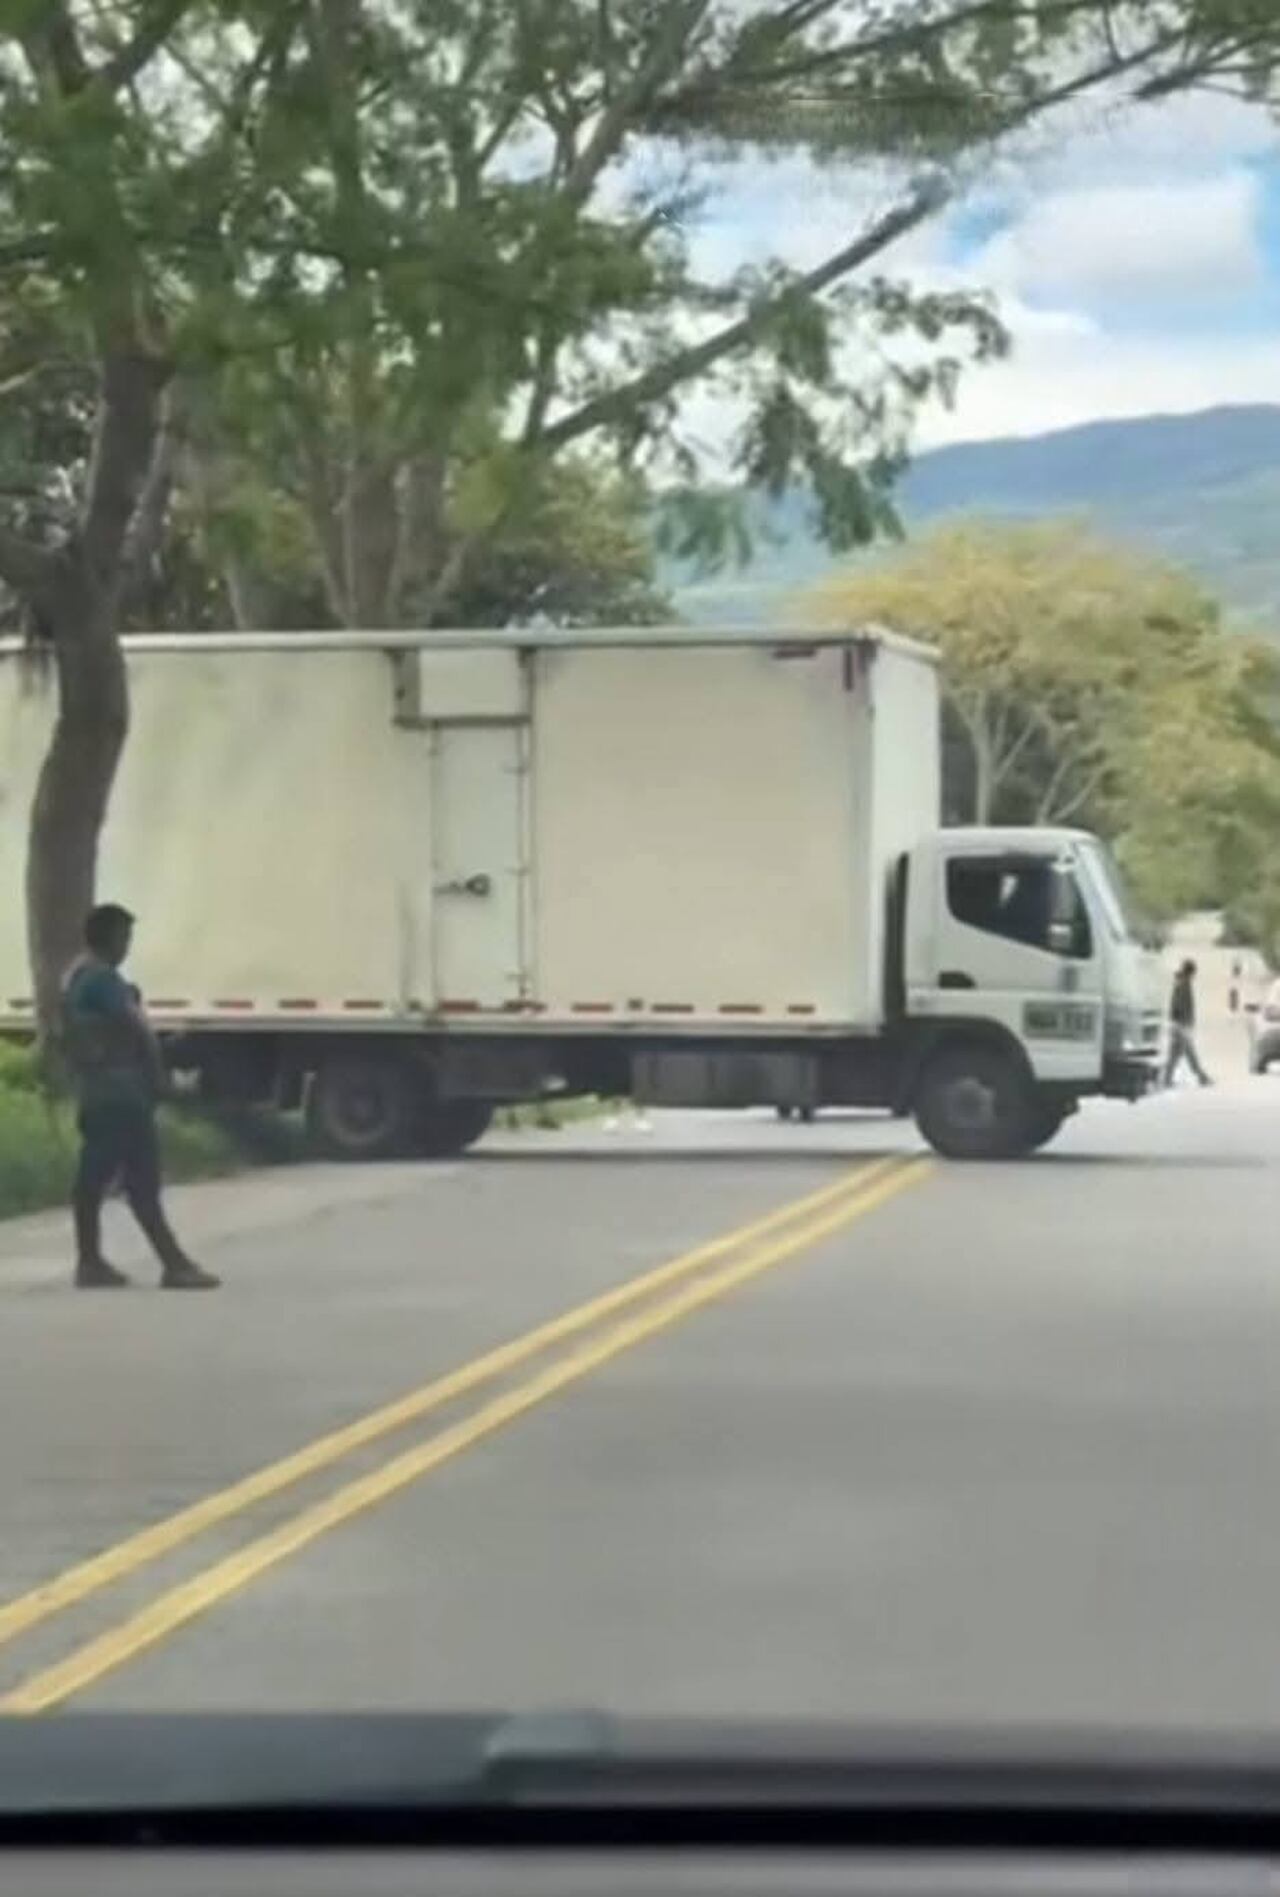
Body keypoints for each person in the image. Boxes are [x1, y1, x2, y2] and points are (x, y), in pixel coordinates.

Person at [61, 904, 220, 1290]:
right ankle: (175, 1265)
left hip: (96, 1092)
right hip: (124, 1095)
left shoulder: (76, 977)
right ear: (111, 938)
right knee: (141, 1182)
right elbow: (138, 1030)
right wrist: (161, 1079)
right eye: (125, 938)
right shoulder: (104, 980)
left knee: (91, 1180)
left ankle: (90, 1261)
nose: (127, 946)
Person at [1163, 957, 1212, 1090]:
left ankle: (1166, 1079)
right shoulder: (1183, 984)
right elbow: (1179, 1006)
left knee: (1174, 1054)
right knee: (1190, 1053)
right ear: (1190, 972)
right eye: (1193, 973)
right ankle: (1202, 1077)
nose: (1194, 976)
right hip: (1180, 1025)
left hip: (1177, 1024)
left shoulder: (1181, 983)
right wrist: (1186, 1023)